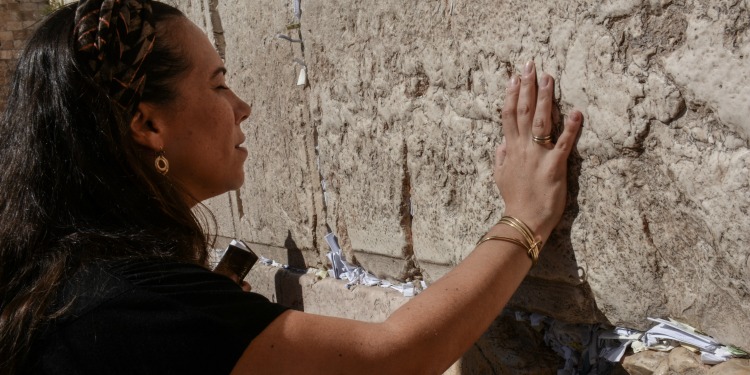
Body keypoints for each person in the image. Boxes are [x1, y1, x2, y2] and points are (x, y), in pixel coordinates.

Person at [0, 1, 582, 374]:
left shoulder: (69, 283)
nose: (242, 107)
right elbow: (396, 355)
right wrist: (524, 220)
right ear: (148, 124)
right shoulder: (131, 302)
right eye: (219, 84)